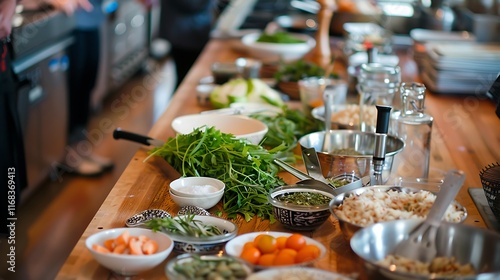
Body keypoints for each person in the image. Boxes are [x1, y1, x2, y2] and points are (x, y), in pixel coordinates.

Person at [50, 0, 114, 176]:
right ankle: (70, 155)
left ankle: (81, 148)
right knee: (75, 89)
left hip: (92, 18)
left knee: (87, 84)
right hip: (71, 21)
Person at [159, 0, 217, 89]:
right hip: (184, 34)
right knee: (186, 80)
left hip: (189, 31)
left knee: (190, 77)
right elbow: (193, 4)